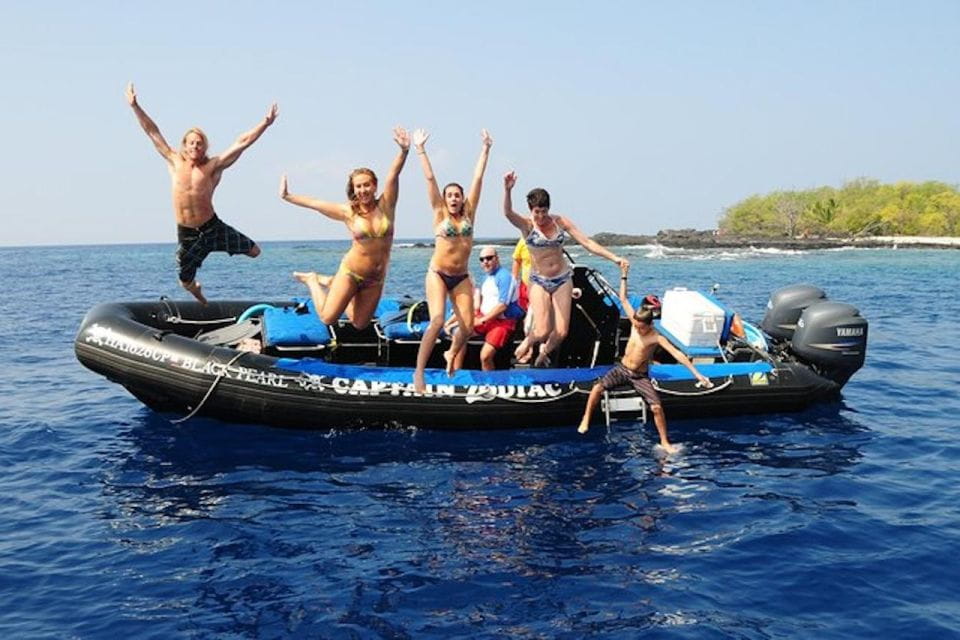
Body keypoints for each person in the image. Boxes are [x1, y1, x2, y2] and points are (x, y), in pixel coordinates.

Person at [125, 82, 277, 305]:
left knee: (255, 252)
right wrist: (135, 106)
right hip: (187, 232)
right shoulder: (174, 161)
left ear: (205, 147)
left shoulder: (212, 167)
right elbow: (152, 131)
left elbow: (241, 143)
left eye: (200, 143)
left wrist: (265, 123)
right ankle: (198, 291)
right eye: (192, 143)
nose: (196, 146)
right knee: (186, 281)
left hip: (212, 227)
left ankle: (215, 246)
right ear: (185, 146)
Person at [278, 127, 410, 330]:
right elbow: (316, 203)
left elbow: (393, 175)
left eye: (367, 185)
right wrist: (288, 196)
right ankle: (313, 280)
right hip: (351, 272)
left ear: (374, 186)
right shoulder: (348, 212)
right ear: (354, 189)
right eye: (358, 186)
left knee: (360, 323)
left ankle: (331, 283)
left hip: (375, 279)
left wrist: (403, 151)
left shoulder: (387, 206)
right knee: (327, 318)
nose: (363, 190)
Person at [577, 263, 714, 452]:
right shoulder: (635, 323)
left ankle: (665, 441)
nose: (638, 328)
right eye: (637, 325)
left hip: (640, 376)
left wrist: (697, 374)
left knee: (656, 407)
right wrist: (624, 275)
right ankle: (586, 419)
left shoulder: (655, 336)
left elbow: (678, 354)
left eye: (642, 327)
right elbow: (623, 298)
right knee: (597, 388)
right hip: (622, 369)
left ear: (649, 324)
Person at [503, 171, 628, 367]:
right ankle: (529, 342)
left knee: (561, 332)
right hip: (539, 281)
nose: (541, 216)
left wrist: (614, 258)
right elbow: (508, 213)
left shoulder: (559, 222)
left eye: (544, 211)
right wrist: (507, 190)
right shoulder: (527, 226)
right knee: (543, 330)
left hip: (562, 278)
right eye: (537, 212)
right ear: (531, 210)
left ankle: (544, 353)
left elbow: (586, 242)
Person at [412, 129, 493, 393]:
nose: (454, 199)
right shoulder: (439, 214)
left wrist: (485, 149)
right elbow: (430, 178)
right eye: (450, 196)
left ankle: (451, 353)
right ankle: (419, 372)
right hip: (438, 274)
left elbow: (478, 178)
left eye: (457, 195)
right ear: (445, 200)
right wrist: (420, 149)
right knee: (437, 321)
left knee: (467, 328)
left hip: (460, 277)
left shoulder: (469, 213)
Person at [446, 246, 519, 372]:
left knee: (485, 356)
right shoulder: (487, 278)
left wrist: (483, 320)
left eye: (489, 258)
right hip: (485, 318)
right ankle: (456, 371)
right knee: (460, 333)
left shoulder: (504, 277)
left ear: (497, 259)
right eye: (482, 259)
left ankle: (489, 382)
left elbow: (503, 305)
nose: (485, 261)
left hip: (502, 322)